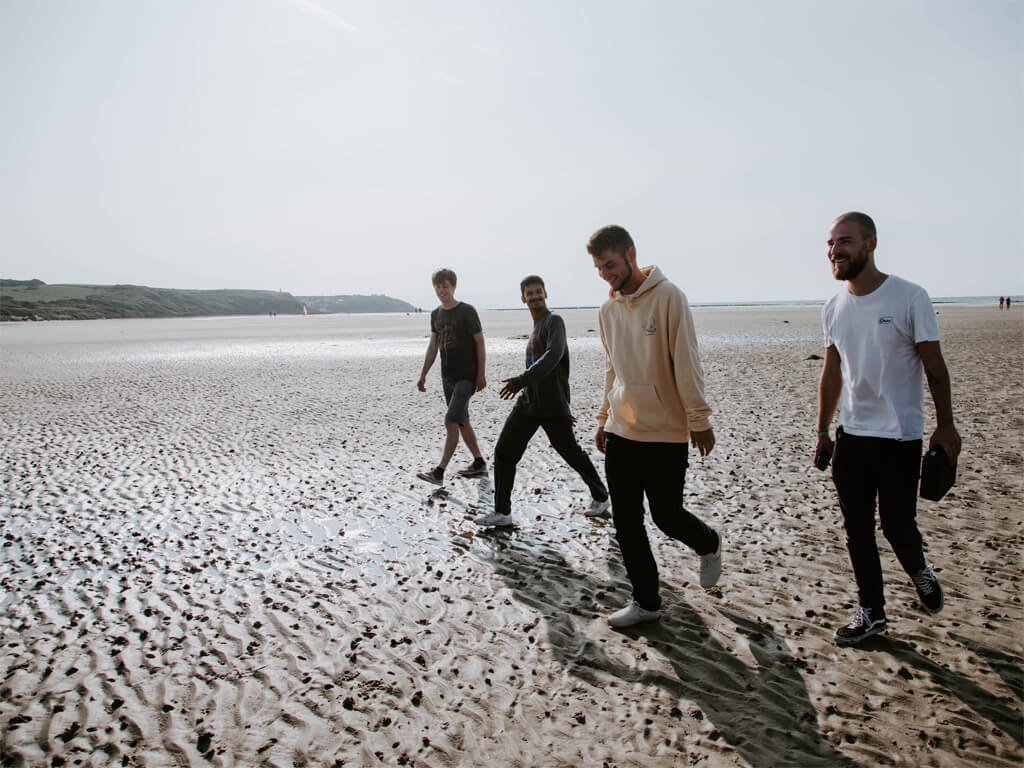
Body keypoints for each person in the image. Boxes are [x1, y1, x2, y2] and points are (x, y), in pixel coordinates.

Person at [814, 212, 961, 647]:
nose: (835, 250)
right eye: (830, 243)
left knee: (897, 526)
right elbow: (831, 373)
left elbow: (935, 368)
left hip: (900, 438)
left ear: (871, 243)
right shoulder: (833, 308)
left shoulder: (909, 297)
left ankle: (918, 570)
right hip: (852, 437)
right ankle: (872, 612)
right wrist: (823, 430)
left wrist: (946, 427)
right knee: (856, 528)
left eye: (845, 241)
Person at [588, 225, 722, 628]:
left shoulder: (669, 298)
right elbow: (613, 369)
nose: (605, 274)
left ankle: (709, 542)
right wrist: (602, 418)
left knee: (666, 515)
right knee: (627, 521)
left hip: (664, 430)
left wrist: (699, 419)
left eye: (609, 264)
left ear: (631, 254)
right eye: (598, 268)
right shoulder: (607, 309)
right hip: (621, 429)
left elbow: (686, 361)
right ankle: (647, 602)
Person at [474, 275, 610, 527]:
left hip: (550, 406)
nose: (535, 296)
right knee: (504, 453)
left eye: (539, 292)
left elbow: (554, 356)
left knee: (570, 452)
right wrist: (524, 386)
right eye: (530, 293)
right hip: (528, 404)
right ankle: (502, 512)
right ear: (523, 298)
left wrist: (521, 381)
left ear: (545, 294)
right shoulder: (536, 328)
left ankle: (601, 496)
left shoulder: (554, 321)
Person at [416, 268, 487, 485]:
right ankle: (479, 463)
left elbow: (479, 342)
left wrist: (481, 374)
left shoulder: (467, 311)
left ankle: (439, 472)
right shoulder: (435, 314)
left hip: (466, 376)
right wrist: (423, 374)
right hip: (447, 377)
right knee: (462, 421)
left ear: (454, 286)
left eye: (445, 286)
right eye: (437, 287)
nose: (441, 290)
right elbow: (433, 345)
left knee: (451, 421)